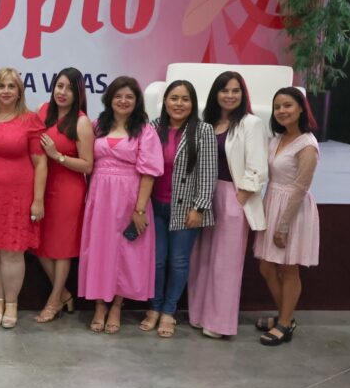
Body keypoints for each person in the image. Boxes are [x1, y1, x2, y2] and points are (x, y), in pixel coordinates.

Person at [79, 76, 163, 334]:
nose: (123, 101)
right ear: (109, 99)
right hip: (100, 198)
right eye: (118, 96)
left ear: (137, 101)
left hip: (130, 198)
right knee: (99, 249)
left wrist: (140, 209)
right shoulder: (97, 126)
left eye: (129, 96)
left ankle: (116, 305)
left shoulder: (145, 131)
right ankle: (99, 305)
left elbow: (149, 173)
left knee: (125, 252)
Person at [189, 71, 268, 339]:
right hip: (204, 196)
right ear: (216, 94)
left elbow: (258, 168)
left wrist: (240, 198)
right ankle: (198, 315)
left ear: (243, 94)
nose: (230, 95)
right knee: (201, 258)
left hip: (233, 196)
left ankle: (219, 323)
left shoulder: (250, 123)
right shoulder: (207, 123)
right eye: (224, 90)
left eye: (235, 90)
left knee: (226, 263)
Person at [140, 81, 216, 338]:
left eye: (185, 99)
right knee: (157, 260)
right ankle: (154, 307)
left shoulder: (203, 131)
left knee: (178, 261)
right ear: (165, 101)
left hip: (186, 209)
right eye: (174, 98)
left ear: (193, 103)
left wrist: (199, 207)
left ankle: (169, 311)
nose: (179, 104)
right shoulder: (153, 127)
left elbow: (208, 173)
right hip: (155, 207)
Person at [0, 68, 46, 329]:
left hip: (18, 197)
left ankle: (12, 303)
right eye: (1, 86)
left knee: (13, 252)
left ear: (19, 92)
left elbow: (40, 163)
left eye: (11, 86)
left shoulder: (30, 120)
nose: (5, 91)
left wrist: (38, 200)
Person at [252, 87, 320, 346]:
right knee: (266, 266)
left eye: (288, 105)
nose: (282, 111)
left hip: (292, 210)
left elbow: (300, 188)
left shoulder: (307, 144)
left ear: (301, 108)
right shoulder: (277, 138)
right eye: (277, 106)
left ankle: (283, 323)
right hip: (272, 203)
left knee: (288, 268)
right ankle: (286, 317)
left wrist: (283, 225)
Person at [33, 68, 93, 323]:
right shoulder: (42, 110)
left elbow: (88, 165)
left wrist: (57, 156)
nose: (63, 92)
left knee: (62, 249)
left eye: (69, 88)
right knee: (37, 245)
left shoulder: (81, 122)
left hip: (68, 190)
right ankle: (65, 294)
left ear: (78, 93)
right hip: (42, 186)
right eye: (59, 86)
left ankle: (54, 300)